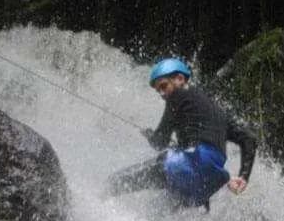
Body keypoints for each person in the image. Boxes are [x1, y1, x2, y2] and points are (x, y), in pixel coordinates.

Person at [107, 57, 257, 211]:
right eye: (158, 90)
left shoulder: (179, 94)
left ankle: (94, 204)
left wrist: (151, 136)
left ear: (180, 79)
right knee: (152, 214)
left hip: (187, 166)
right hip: (208, 183)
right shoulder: (220, 113)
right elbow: (249, 138)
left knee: (115, 182)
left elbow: (160, 141)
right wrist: (244, 177)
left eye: (163, 86)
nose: (162, 93)